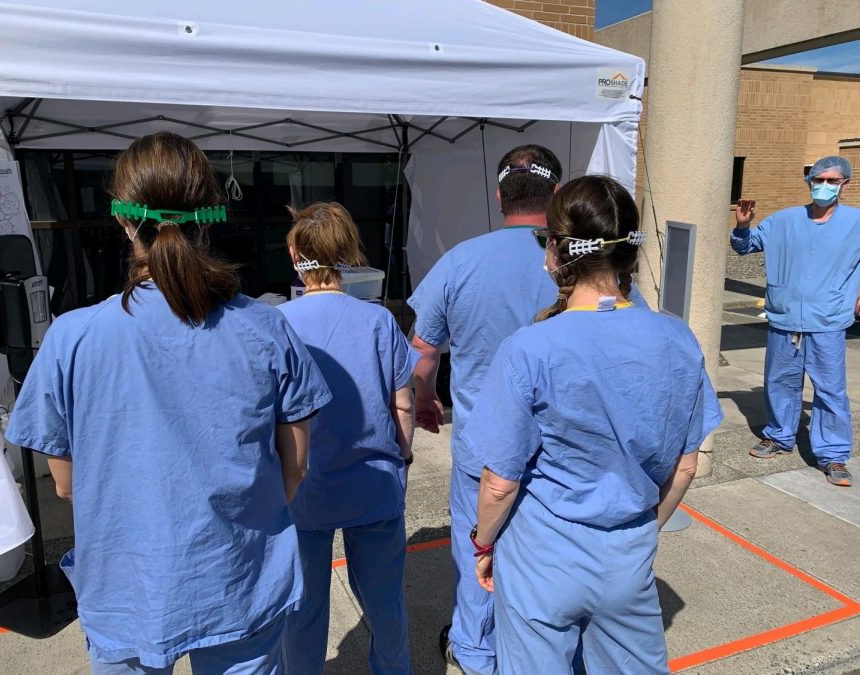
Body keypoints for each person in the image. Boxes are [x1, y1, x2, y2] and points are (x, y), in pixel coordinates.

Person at [5, 132, 332, 674]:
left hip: (124, 586)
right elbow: (293, 469)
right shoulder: (266, 329)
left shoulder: (72, 337)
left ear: (121, 219)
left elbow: (65, 484)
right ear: (211, 216)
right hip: (239, 576)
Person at [465, 175, 723, 675]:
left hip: (542, 552)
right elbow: (685, 466)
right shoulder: (678, 338)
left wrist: (483, 543)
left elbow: (499, 482)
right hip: (629, 549)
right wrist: (645, 528)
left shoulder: (529, 347)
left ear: (557, 251)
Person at [408, 144, 564, 674]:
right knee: (544, 560)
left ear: (499, 196)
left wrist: (428, 398)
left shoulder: (460, 261)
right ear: (558, 194)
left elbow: (423, 353)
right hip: (559, 450)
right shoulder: (573, 264)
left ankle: (476, 653)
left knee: (476, 551)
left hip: (484, 446)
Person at [278, 203, 419, 675]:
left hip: (302, 492)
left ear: (296, 254)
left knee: (301, 611)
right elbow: (402, 405)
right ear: (347, 254)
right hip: (373, 486)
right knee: (385, 607)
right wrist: (403, 453)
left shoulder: (277, 323)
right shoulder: (378, 321)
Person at [731, 156, 857, 487]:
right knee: (779, 381)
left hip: (827, 318)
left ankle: (833, 454)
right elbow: (745, 246)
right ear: (809, 182)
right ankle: (778, 436)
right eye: (818, 179)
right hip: (785, 317)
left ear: (845, 183)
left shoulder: (855, 223)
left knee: (830, 390)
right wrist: (743, 225)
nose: (824, 185)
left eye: (832, 180)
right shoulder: (784, 220)